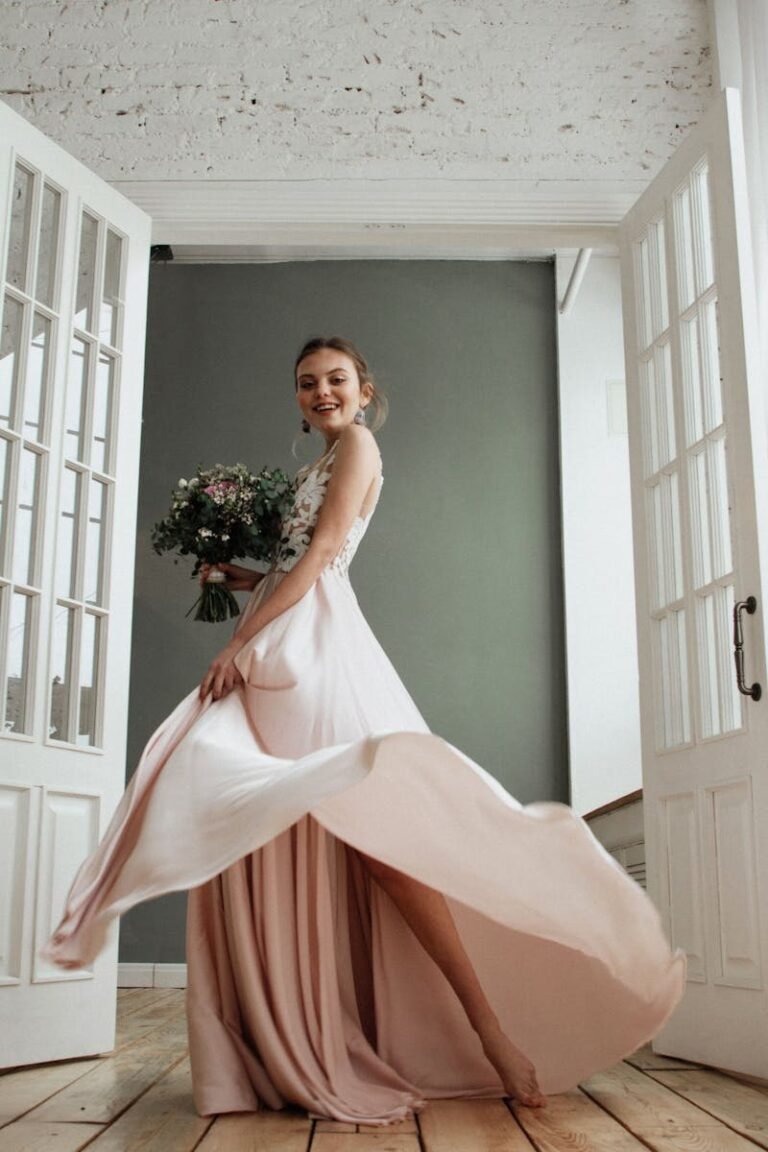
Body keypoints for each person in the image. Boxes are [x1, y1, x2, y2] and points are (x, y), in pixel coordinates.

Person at [46, 335, 686, 1127]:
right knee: (266, 806)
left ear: (363, 388)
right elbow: (296, 558)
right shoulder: (314, 466)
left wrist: (241, 643)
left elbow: (323, 556)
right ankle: (290, 1030)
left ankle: (494, 1036)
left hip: (317, 646)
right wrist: (234, 576)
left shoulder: (358, 444)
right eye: (308, 383)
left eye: (336, 380)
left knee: (386, 845)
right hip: (288, 629)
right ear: (297, 396)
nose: (323, 392)